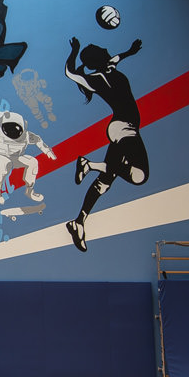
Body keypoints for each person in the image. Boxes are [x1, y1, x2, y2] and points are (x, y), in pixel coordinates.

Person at [64, 36, 148, 252]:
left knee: (105, 181)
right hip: (124, 128)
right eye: (102, 48)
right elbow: (70, 73)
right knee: (140, 175)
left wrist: (130, 51)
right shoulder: (97, 78)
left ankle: (79, 222)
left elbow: (117, 58)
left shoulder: (109, 68)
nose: (106, 48)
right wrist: (74, 51)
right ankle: (89, 165)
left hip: (121, 128)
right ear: (99, 57)